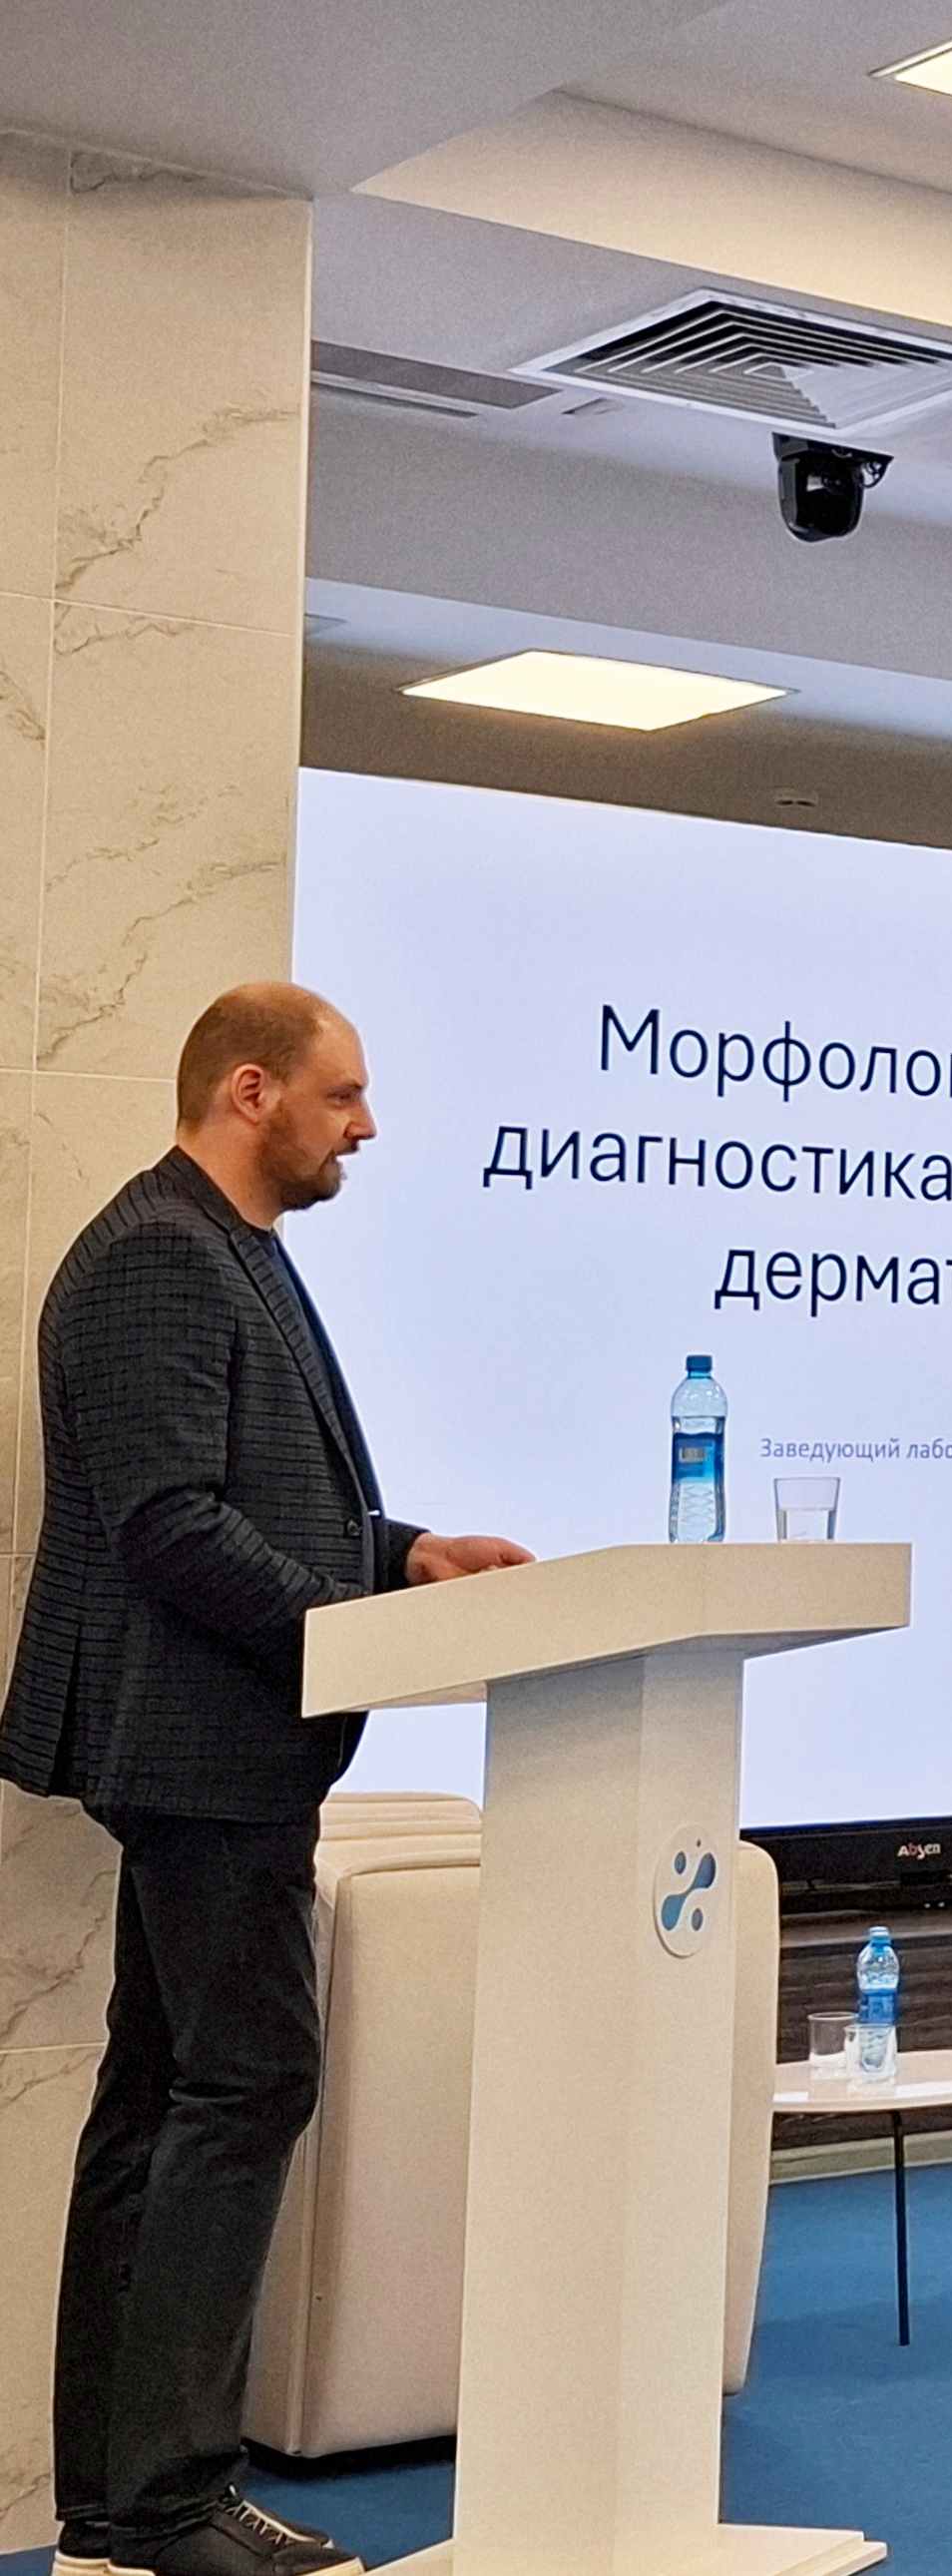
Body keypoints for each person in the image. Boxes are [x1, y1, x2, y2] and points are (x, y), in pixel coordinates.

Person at [4, 985, 532, 2576]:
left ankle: (120, 2508)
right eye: (342, 1095)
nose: (364, 1126)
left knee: (164, 2096)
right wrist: (349, 1629)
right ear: (251, 1091)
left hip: (221, 1746)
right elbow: (170, 1524)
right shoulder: (160, 1255)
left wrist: (404, 1553)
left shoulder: (224, 1247)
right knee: (244, 2084)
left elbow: (262, 1493)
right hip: (200, 1749)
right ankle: (170, 2500)